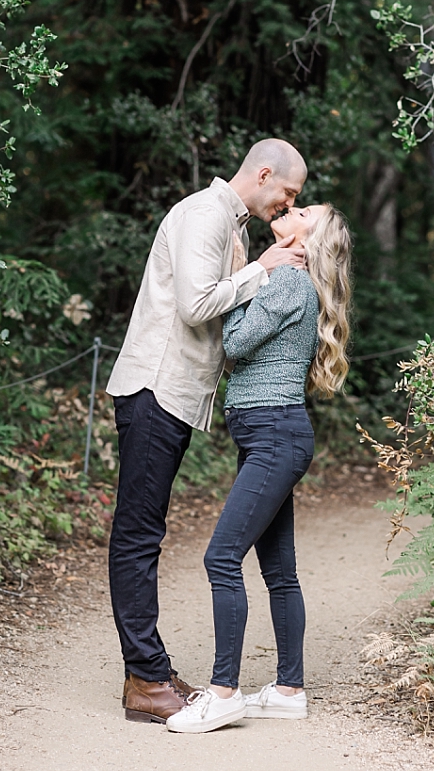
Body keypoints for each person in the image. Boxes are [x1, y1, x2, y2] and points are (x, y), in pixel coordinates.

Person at [105, 139, 308, 724]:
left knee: (148, 531)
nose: (287, 205)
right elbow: (196, 306)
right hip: (154, 388)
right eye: (287, 194)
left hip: (176, 396)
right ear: (264, 174)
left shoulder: (232, 226)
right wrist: (261, 271)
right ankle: (144, 678)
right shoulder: (204, 215)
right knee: (138, 534)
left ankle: (149, 669)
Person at [165, 203, 353, 734]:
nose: (292, 207)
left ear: (309, 237)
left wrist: (246, 276)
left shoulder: (289, 282)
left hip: (274, 435)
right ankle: (289, 689)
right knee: (278, 569)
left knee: (221, 557)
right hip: (274, 435)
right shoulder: (290, 279)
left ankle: (223, 692)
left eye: (304, 210)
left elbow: (235, 343)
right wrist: (252, 268)